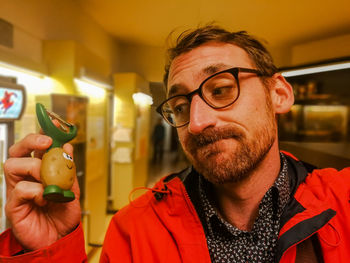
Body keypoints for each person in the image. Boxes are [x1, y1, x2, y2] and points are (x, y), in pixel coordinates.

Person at [1, 25, 349, 262]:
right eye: (180, 106)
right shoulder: (133, 230)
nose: (197, 123)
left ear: (279, 93)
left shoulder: (343, 203)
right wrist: (49, 251)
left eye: (221, 89)